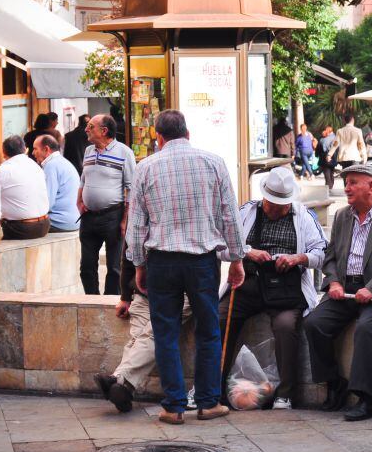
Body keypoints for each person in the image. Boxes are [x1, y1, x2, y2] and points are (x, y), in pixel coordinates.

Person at [126, 110, 244, 425]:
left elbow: (137, 225)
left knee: (165, 333)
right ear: (187, 134)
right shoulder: (213, 163)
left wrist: (138, 263)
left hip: (162, 261)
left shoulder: (145, 168)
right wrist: (236, 258)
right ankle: (207, 403)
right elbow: (230, 215)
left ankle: (173, 406)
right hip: (202, 261)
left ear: (158, 137)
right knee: (209, 330)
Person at [303, 165, 372, 421]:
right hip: (346, 290)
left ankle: (365, 398)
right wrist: (333, 283)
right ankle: (333, 383)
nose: (347, 188)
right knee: (314, 323)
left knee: (366, 328)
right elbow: (329, 257)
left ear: (371, 186)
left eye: (353, 182)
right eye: (346, 183)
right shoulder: (343, 216)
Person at [217, 167, 328, 410]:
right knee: (221, 317)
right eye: (271, 205)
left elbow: (322, 253)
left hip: (286, 287)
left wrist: (298, 259)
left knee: (286, 325)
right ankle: (211, 386)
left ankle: (285, 393)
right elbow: (222, 247)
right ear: (264, 197)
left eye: (281, 206)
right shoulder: (246, 212)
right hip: (249, 282)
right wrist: (248, 252)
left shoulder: (304, 216)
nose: (276, 210)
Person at [94, 250, 193, 413]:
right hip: (144, 292)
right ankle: (123, 390)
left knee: (153, 335)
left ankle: (118, 379)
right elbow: (127, 256)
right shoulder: (136, 224)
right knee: (136, 339)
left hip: (180, 293)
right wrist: (125, 297)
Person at [78, 114, 136, 294]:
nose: (86, 129)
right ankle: (91, 301)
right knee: (86, 267)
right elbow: (83, 180)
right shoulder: (89, 151)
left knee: (114, 268)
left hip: (113, 216)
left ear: (104, 131)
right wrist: (79, 201)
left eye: (91, 126)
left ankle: (110, 304)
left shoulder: (124, 152)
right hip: (88, 216)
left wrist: (125, 219)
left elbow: (131, 188)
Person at [0, 135, 50, 240]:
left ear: (4, 153)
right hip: (45, 225)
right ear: (25, 150)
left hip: (21, 229)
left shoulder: (2, 171)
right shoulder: (36, 167)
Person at [32, 134, 81, 233]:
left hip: (61, 222)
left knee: (22, 224)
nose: (33, 153)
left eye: (35, 149)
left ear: (46, 149)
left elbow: (47, 203)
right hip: (73, 221)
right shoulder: (61, 162)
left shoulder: (51, 166)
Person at [318, 125, 337, 189]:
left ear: (328, 131)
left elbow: (323, 149)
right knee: (331, 172)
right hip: (333, 157)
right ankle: (331, 185)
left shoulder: (324, 139)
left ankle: (328, 186)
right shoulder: (335, 137)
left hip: (325, 157)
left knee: (327, 173)